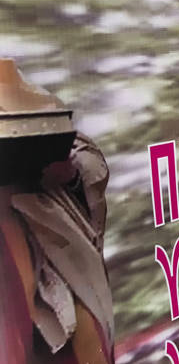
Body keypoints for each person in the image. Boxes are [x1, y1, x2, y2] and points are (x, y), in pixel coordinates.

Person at [0, 58, 113, 363]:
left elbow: (89, 162)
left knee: (82, 321)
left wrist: (68, 173)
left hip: (43, 221)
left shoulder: (37, 107)